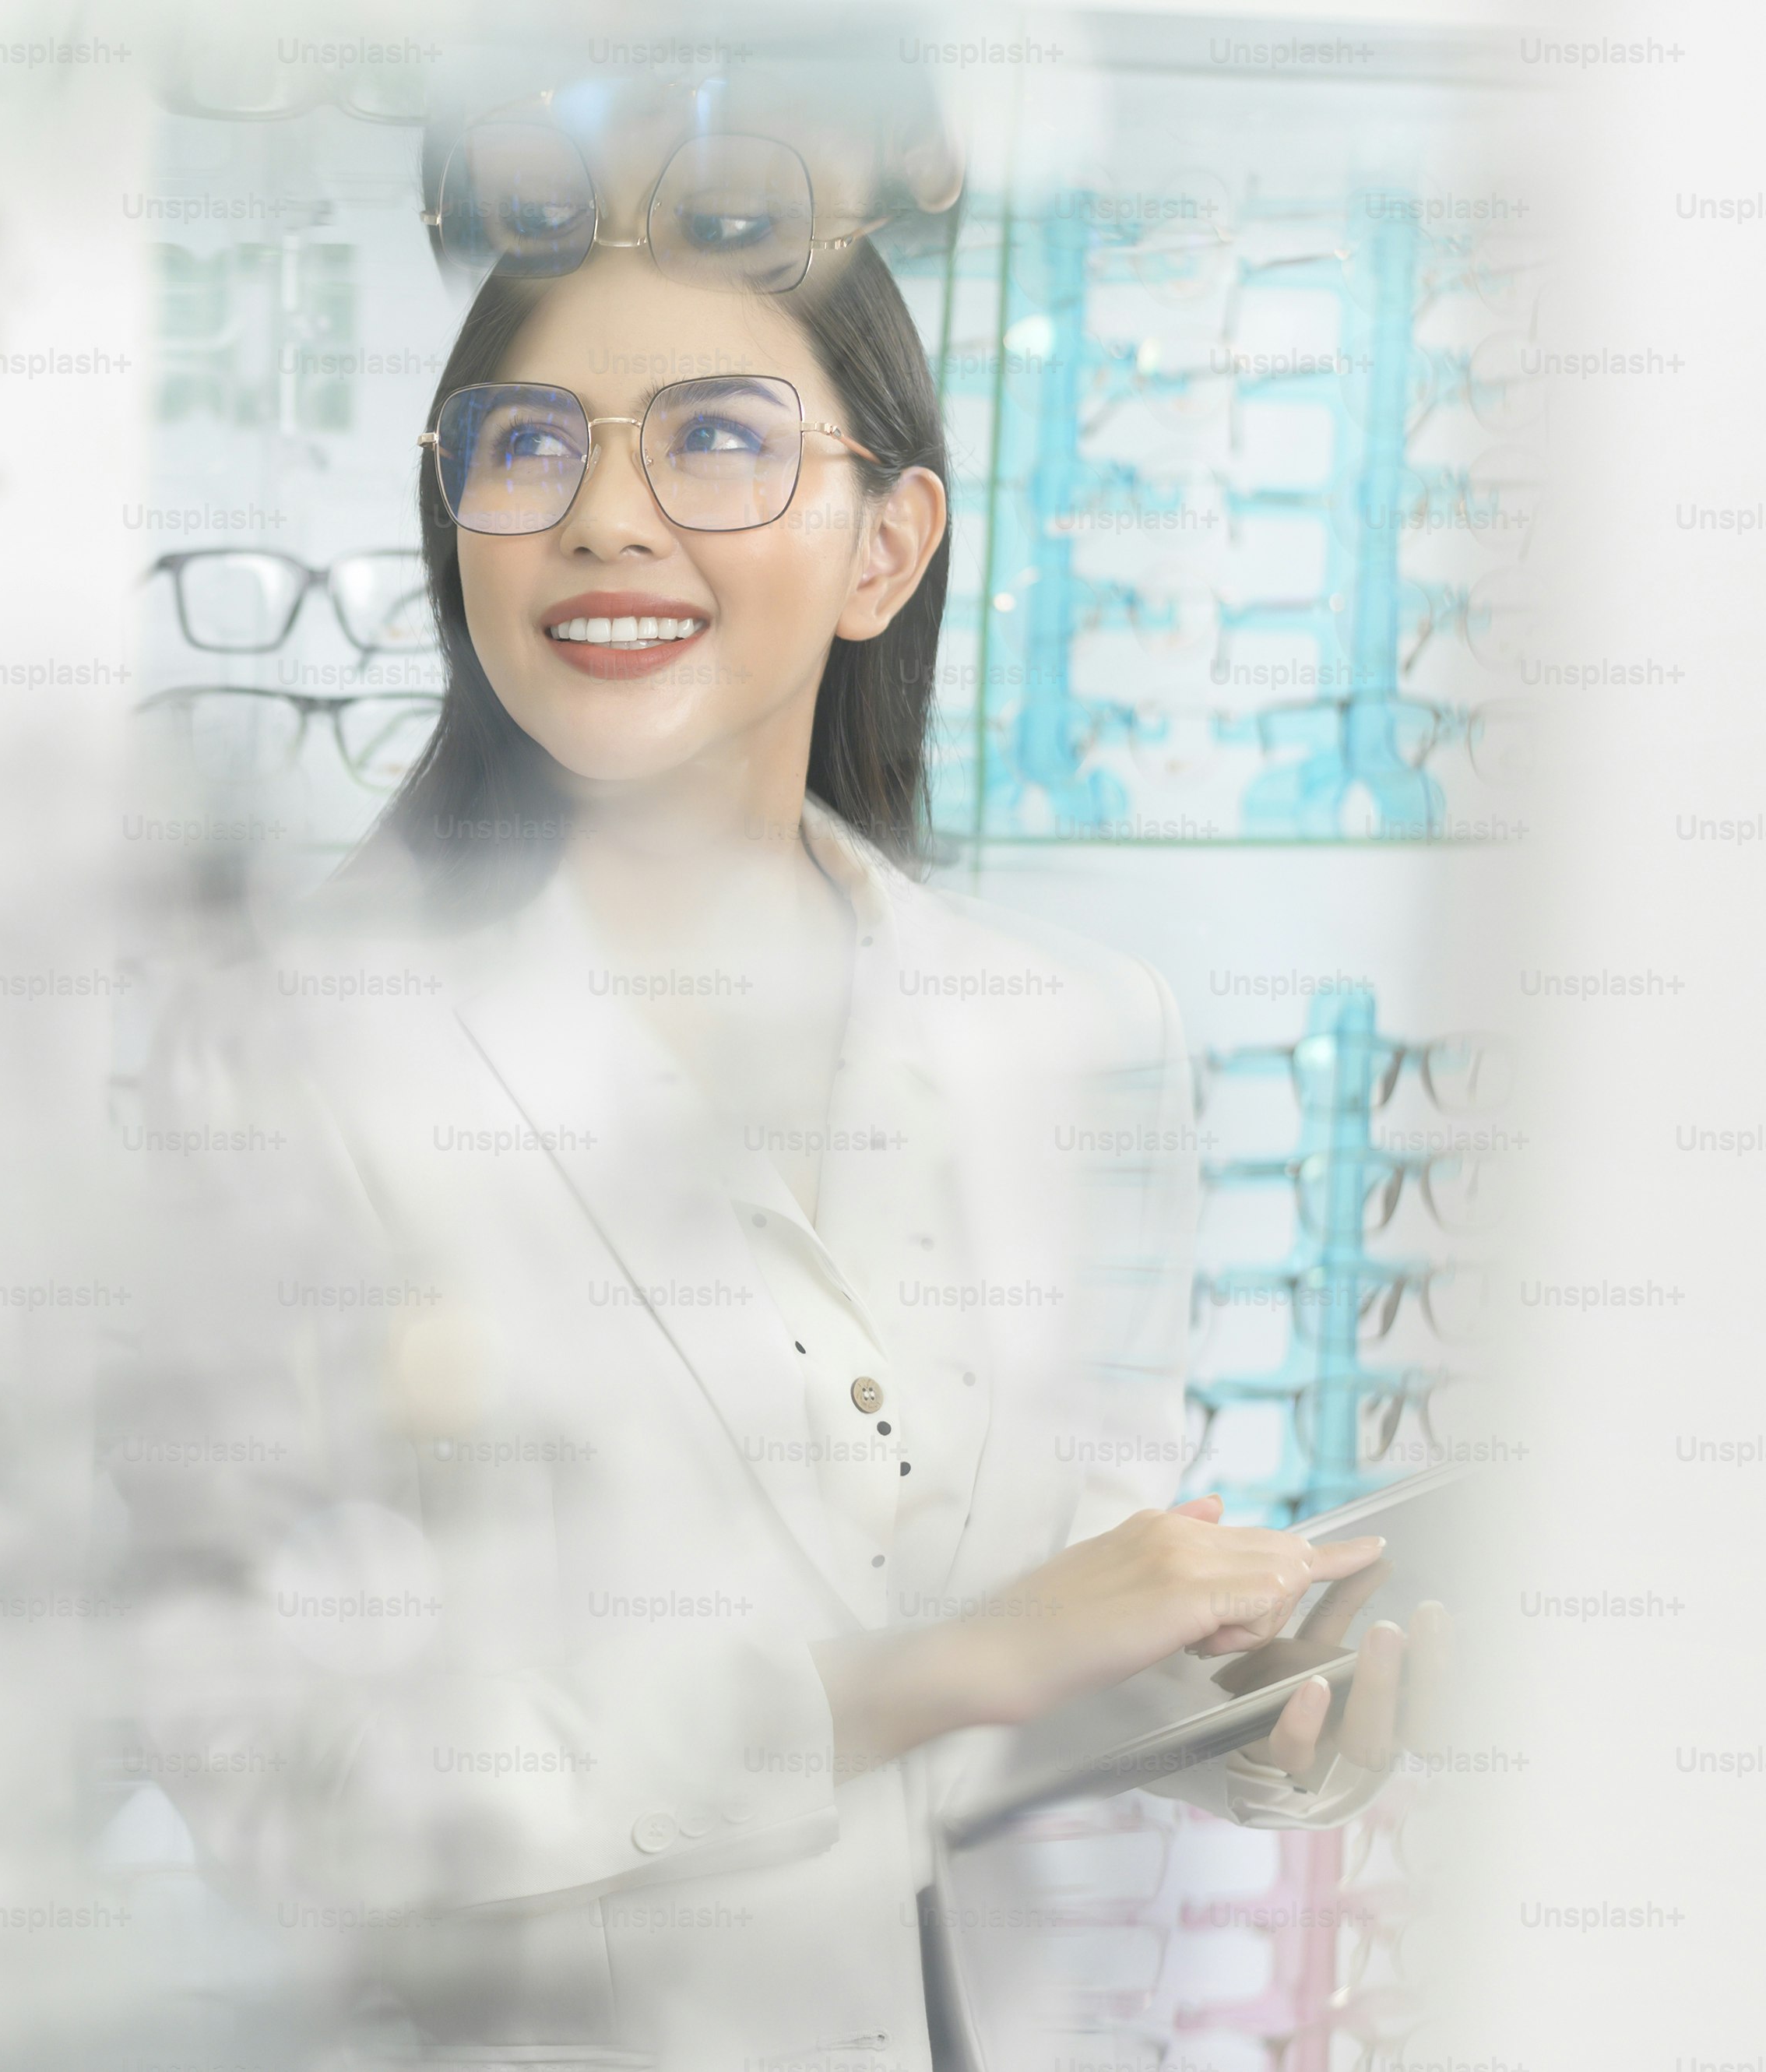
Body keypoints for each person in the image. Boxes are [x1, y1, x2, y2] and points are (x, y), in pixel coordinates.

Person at [108, 220, 1450, 2072]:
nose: (600, 514)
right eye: (526, 442)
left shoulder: (1074, 1033)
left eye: (715, 436)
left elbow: (1031, 1600)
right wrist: (904, 1685)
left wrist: (1228, 1714)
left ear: (883, 548)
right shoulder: (286, 1057)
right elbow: (275, 1780)